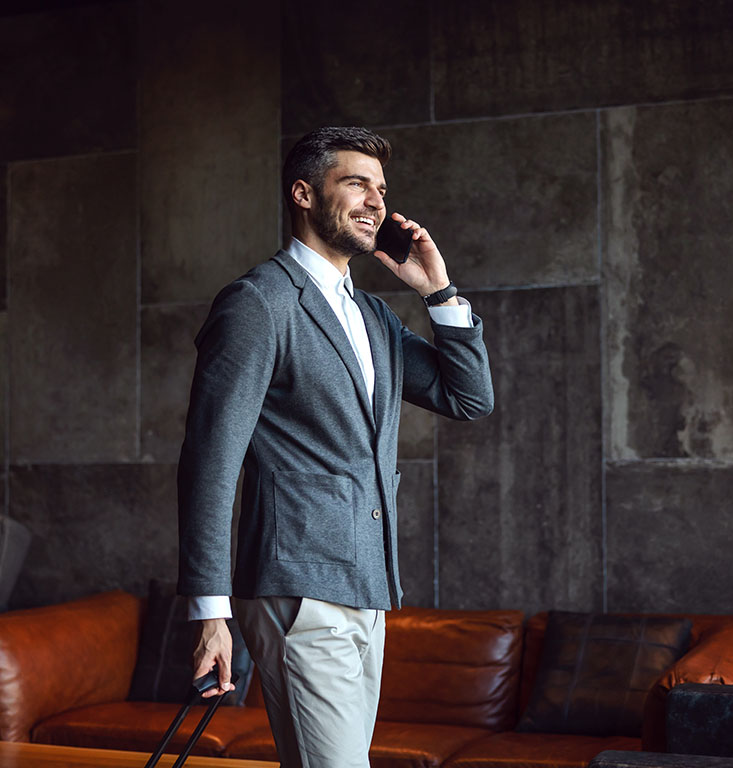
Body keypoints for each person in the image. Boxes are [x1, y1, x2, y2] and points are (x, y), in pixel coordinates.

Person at [177, 126, 494, 768]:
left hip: (368, 590)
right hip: (299, 589)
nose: (376, 201)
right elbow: (210, 464)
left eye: (381, 188)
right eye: (356, 183)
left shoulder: (374, 317)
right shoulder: (258, 304)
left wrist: (437, 291)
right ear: (303, 193)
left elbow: (469, 397)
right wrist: (210, 613)